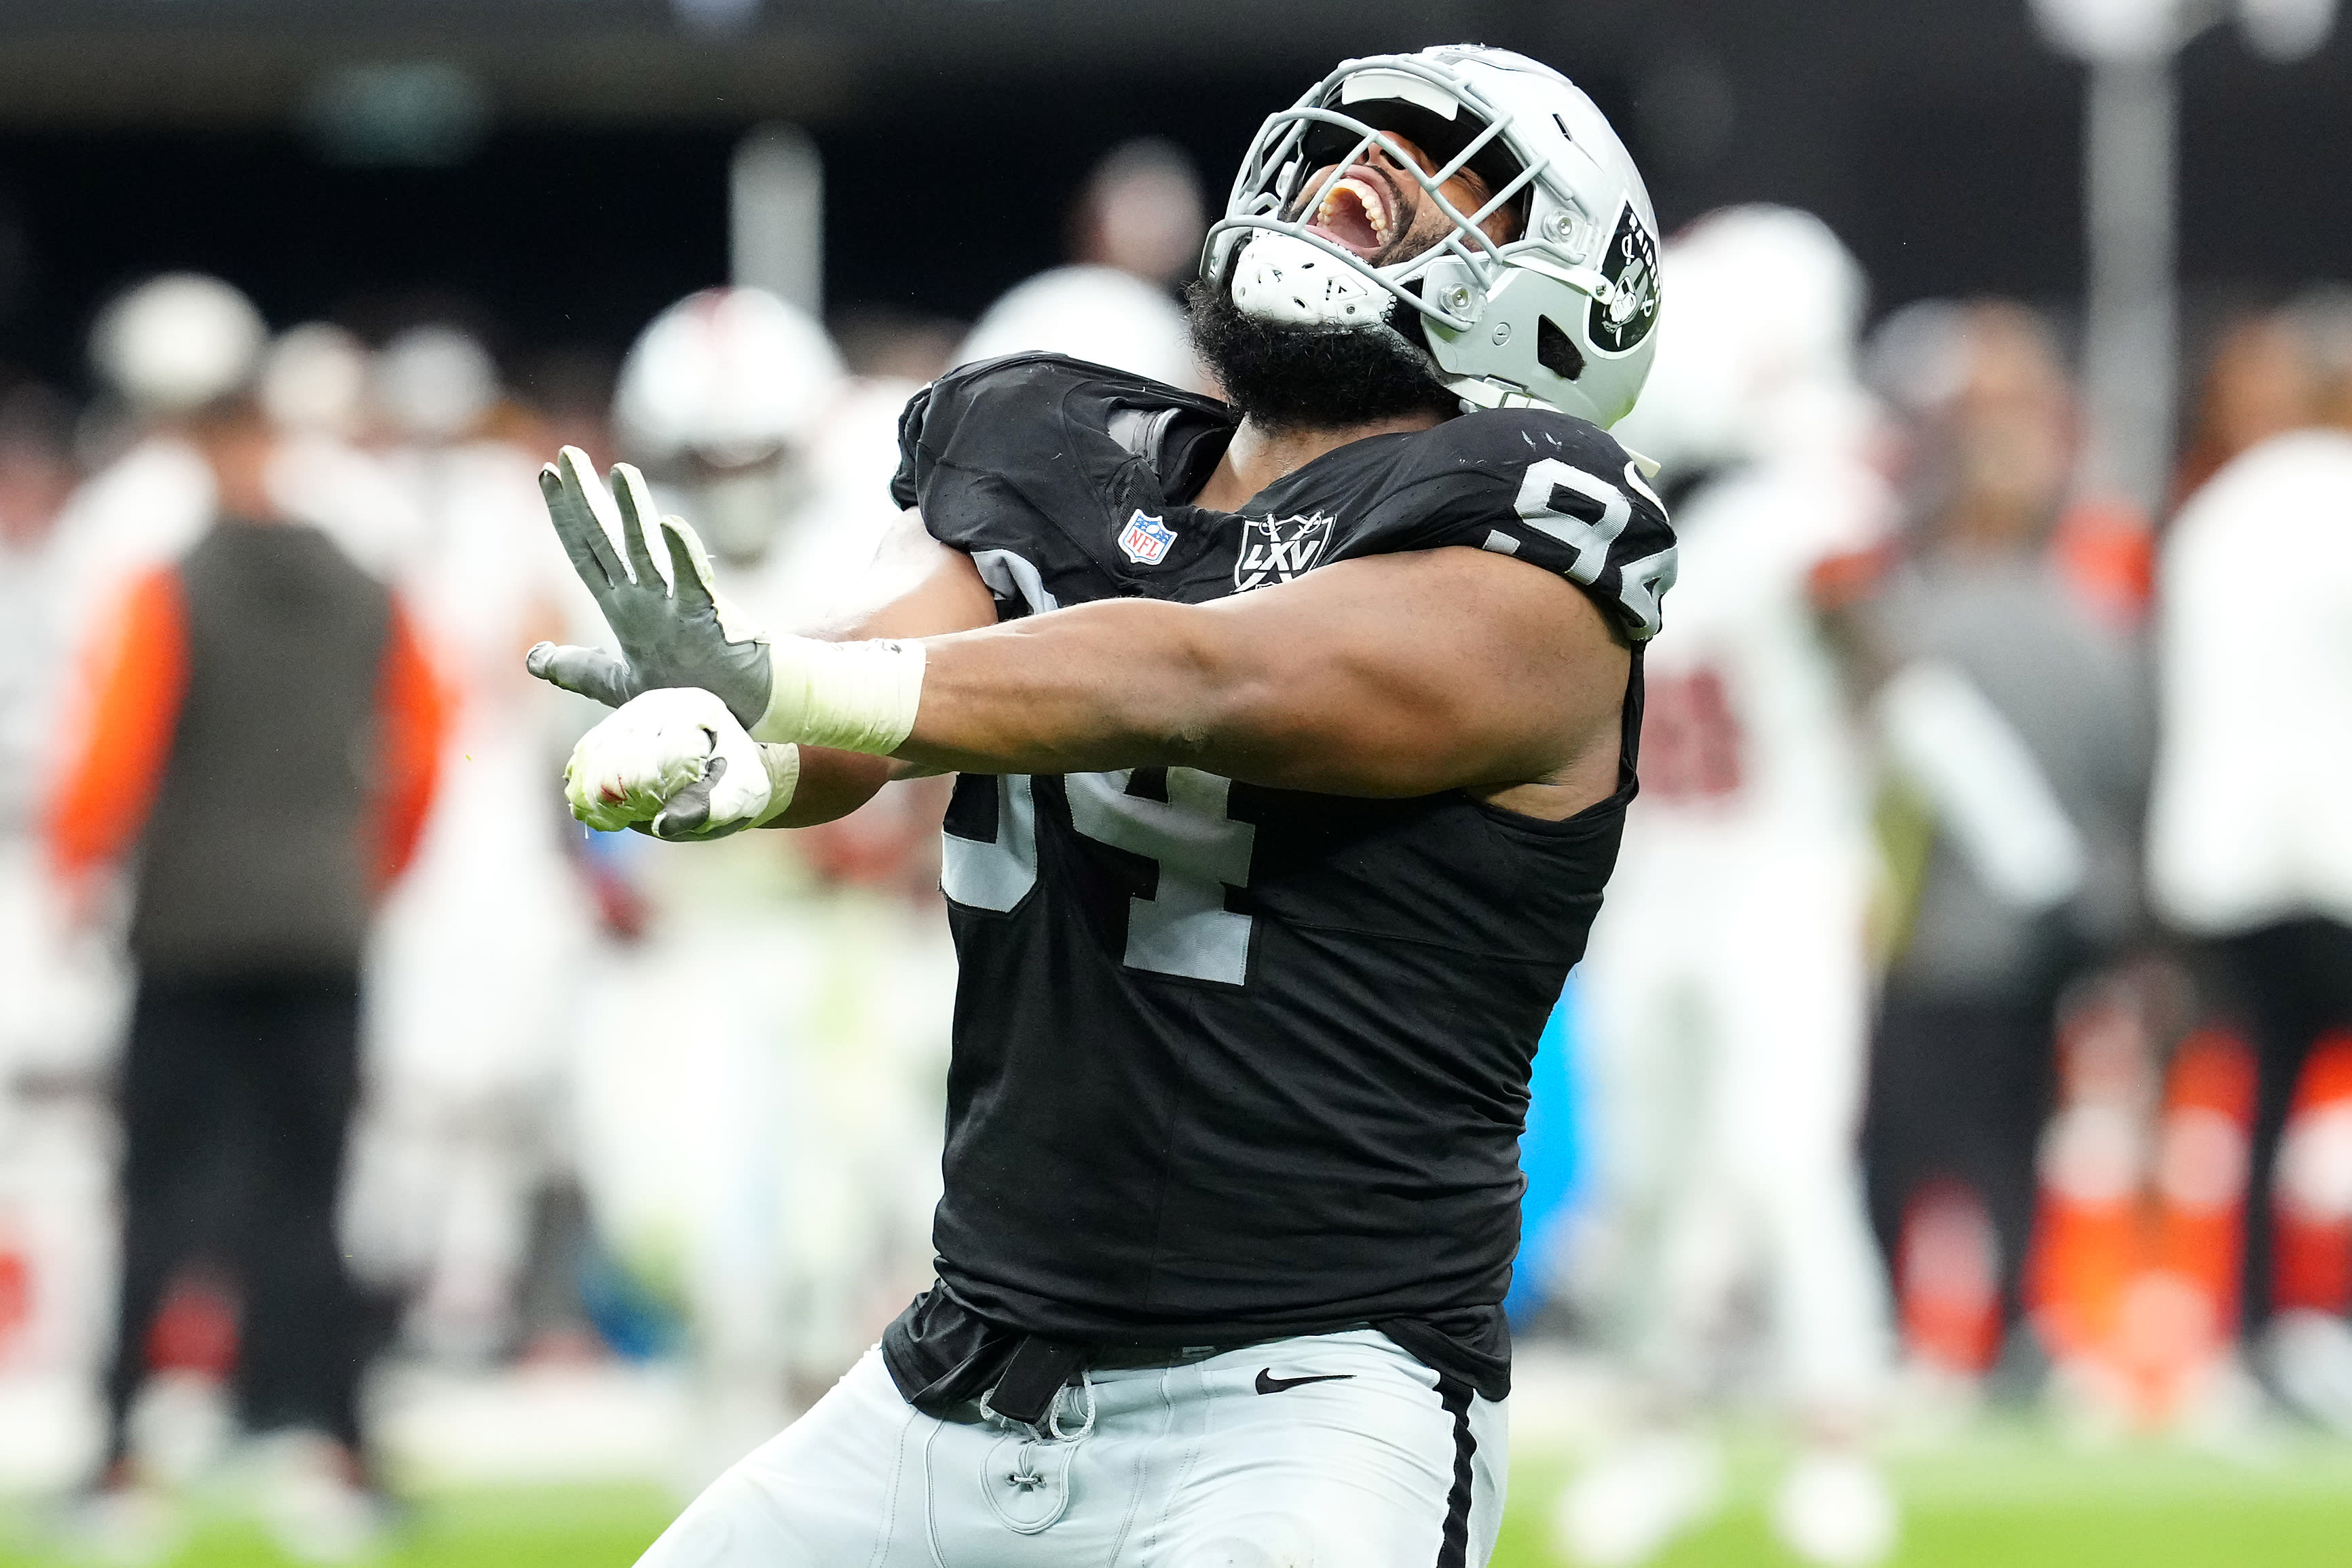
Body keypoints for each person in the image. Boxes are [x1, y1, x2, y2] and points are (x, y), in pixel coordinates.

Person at [527, 44, 1673, 1567]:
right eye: (1355, 138)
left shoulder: (1541, 544)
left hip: (1302, 1404)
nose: (1359, 175)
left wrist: (795, 686)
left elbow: (1207, 677)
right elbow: (879, 687)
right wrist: (735, 747)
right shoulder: (1059, 446)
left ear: (1562, 288)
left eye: (1436, 164)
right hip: (960, 1377)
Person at [45, 393, 444, 1563]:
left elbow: (110, 755)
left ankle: (119, 1458)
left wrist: (77, 878)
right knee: (313, 1204)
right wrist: (369, 876)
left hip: (188, 935)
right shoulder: (371, 587)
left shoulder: (167, 586)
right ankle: (336, 1454)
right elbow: (426, 740)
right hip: (324, 931)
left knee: (160, 1203)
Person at [1556, 207, 1898, 1568]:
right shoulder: (1636, 504)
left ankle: (1835, 1438)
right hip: (1657, 884)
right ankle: (1657, 1429)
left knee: (1783, 1161)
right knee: (1644, 1181)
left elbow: (1876, 648)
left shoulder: (1809, 502)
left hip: (1776, 875)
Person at [1851, 302, 2150, 1388]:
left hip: (1922, 934)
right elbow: (2126, 771)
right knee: (2011, 1141)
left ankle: (1888, 1325)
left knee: (1898, 1144)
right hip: (2041, 936)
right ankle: (2018, 1326)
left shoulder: (1910, 618)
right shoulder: (2096, 624)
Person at [2148, 289, 2352, 1430]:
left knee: (2264, 1099)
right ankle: (2318, 1335)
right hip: (2327, 845)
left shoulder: (2220, 505)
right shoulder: (2332, 497)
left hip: (2219, 855)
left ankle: (2253, 1332)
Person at [954, 138, 1210, 389]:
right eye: (1143, 204)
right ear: (1092, 224)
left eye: (1165, 208)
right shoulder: (1045, 300)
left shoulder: (1029, 298)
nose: (1159, 226)